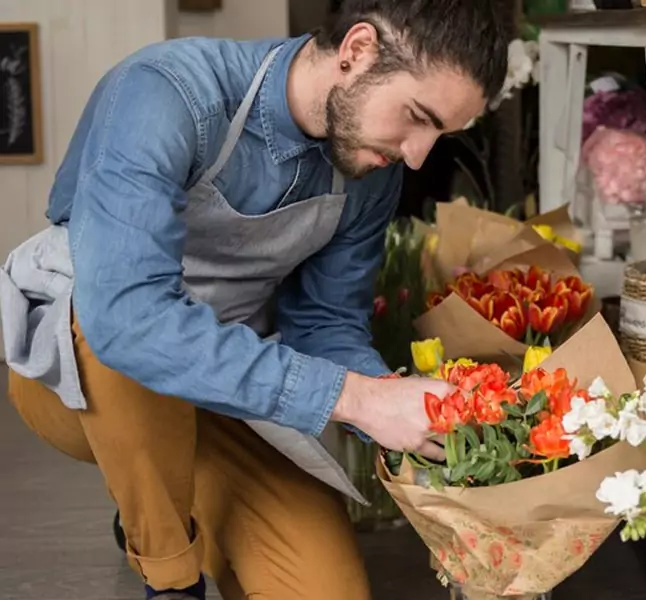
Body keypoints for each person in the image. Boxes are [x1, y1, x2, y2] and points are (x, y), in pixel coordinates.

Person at [0, 1, 511, 598]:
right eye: (417, 116)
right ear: (357, 51)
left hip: (229, 385)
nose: (419, 154)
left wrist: (414, 421)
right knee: (129, 324)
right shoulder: (166, 94)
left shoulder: (372, 173)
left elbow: (324, 324)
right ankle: (169, 575)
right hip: (80, 373)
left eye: (439, 133)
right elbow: (123, 319)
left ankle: (177, 495)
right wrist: (357, 400)